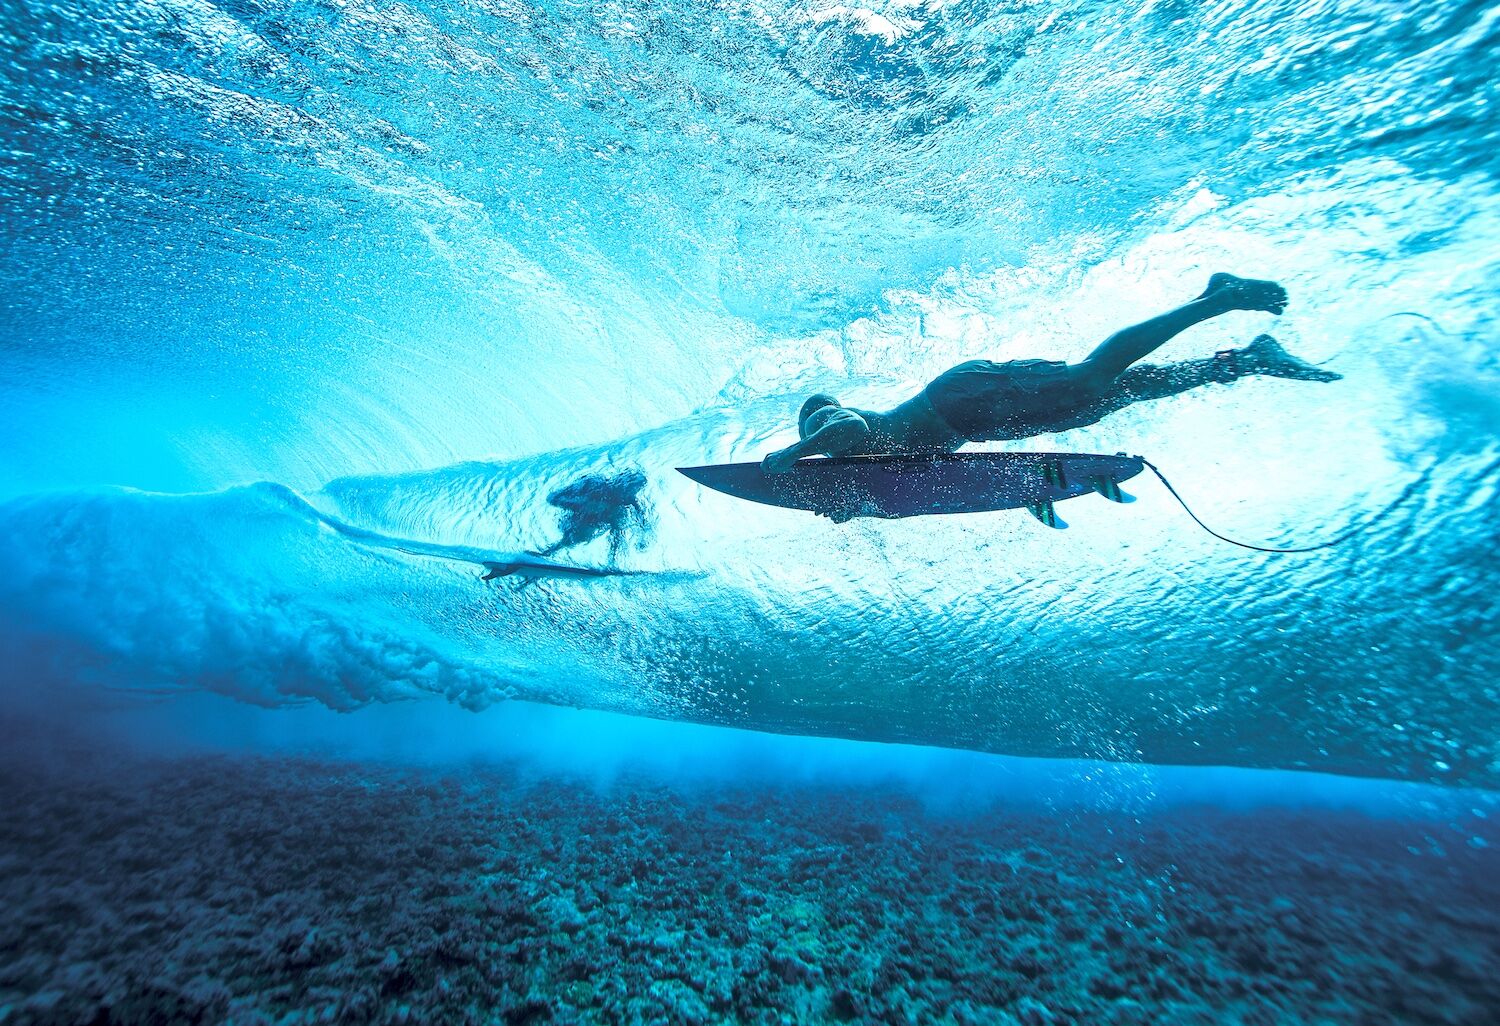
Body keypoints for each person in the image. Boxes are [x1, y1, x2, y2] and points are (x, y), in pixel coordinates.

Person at [761, 274, 1339, 474]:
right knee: (1127, 392)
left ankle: (1217, 299)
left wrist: (790, 456)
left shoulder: (832, 423)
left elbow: (848, 436)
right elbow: (886, 475)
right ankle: (1245, 360)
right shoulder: (851, 446)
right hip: (979, 418)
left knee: (1093, 376)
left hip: (965, 398)